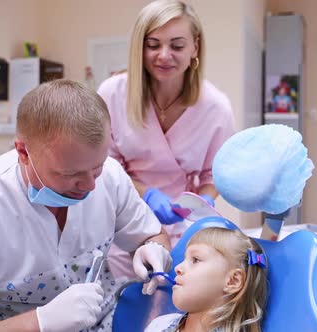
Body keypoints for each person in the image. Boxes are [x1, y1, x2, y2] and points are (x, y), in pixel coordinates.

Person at [0, 79, 172, 332]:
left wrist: (153, 250)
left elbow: (152, 235)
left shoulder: (111, 178)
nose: (90, 186)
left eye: (97, 168)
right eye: (70, 173)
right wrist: (38, 323)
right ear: (23, 153)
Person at [97, 0, 235, 277]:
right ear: (140, 47)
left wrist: (198, 205)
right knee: (128, 302)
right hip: (123, 217)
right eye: (153, 44)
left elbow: (214, 176)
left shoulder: (215, 107)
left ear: (195, 46)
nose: (164, 55)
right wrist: (145, 195)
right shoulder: (113, 94)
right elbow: (103, 164)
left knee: (174, 304)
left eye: (177, 45)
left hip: (182, 226)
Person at [145, 227, 268, 332]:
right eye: (184, 258)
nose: (178, 268)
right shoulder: (159, 325)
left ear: (232, 281)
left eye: (195, 260)